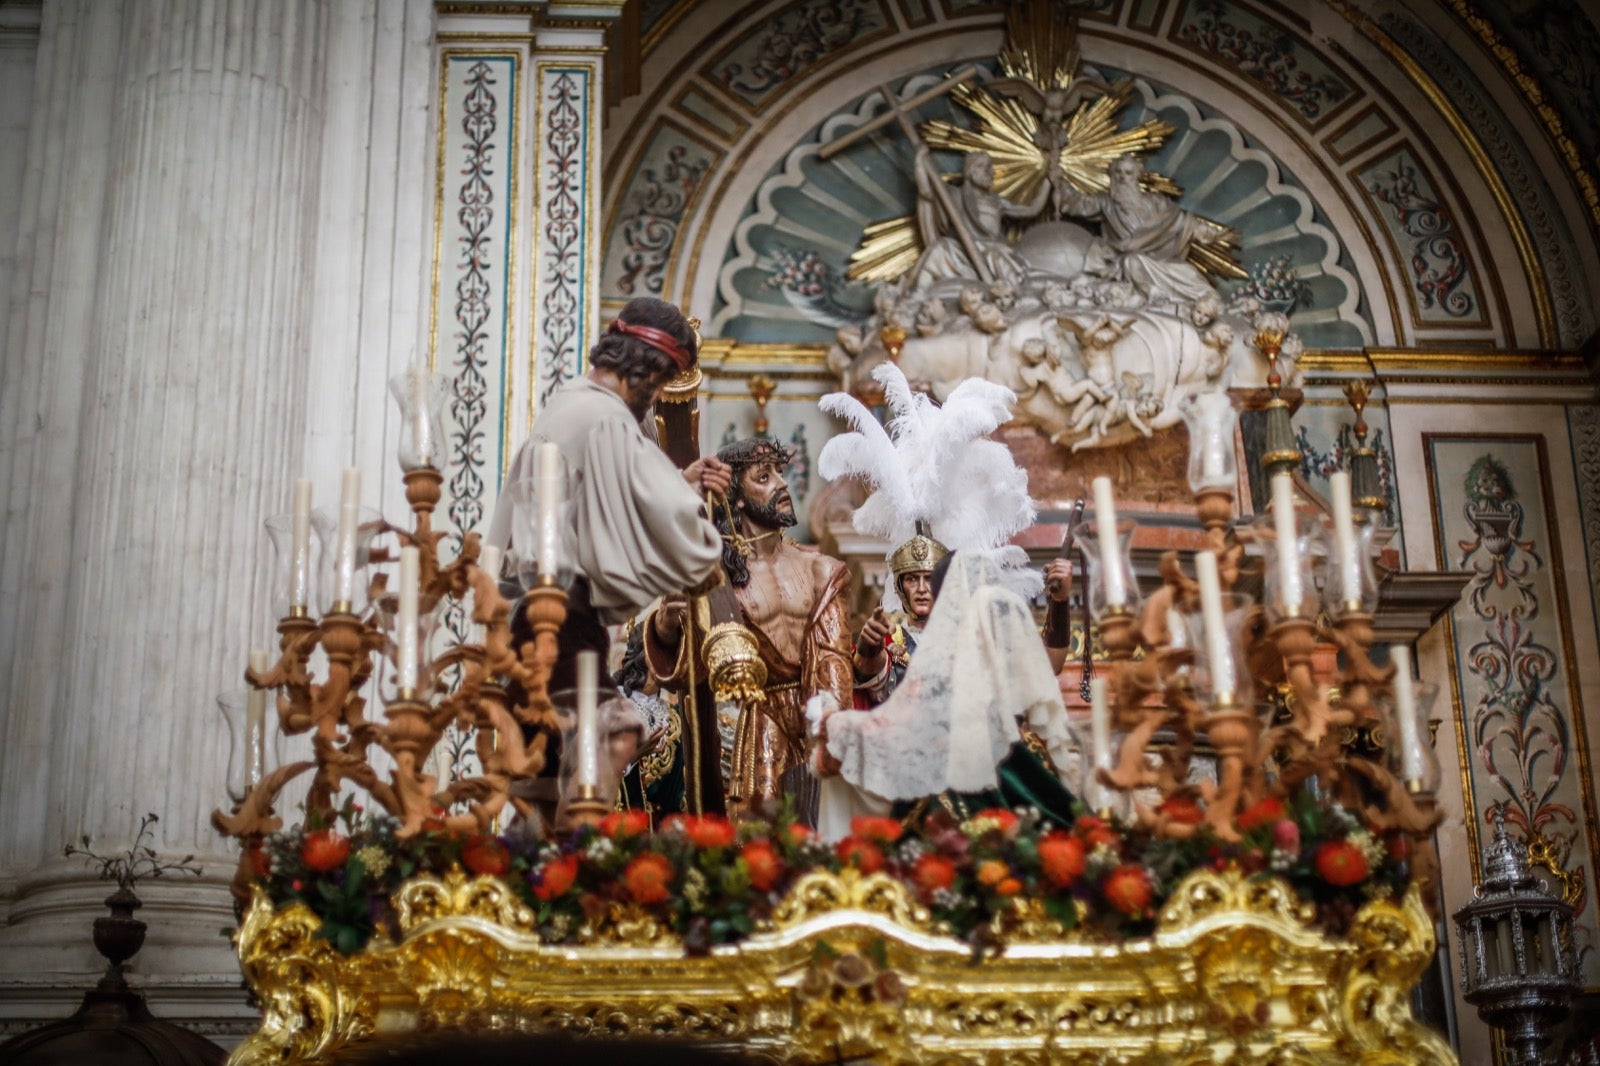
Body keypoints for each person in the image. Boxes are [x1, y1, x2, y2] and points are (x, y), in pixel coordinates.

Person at [486, 296, 732, 827]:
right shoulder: (606, 417)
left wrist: (678, 483)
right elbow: (670, 515)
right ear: (645, 367)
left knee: (548, 772)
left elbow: (597, 500)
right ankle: (574, 859)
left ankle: (540, 861)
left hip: (527, 615)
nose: (659, 394)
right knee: (613, 734)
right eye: (662, 380)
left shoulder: (568, 402)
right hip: (562, 618)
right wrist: (702, 549)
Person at [646, 438, 853, 822]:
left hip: (813, 717)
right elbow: (694, 670)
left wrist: (833, 729)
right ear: (737, 497)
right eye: (764, 476)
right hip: (747, 721)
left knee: (818, 832)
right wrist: (668, 625)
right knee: (757, 838)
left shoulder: (819, 570)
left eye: (780, 472)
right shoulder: (717, 580)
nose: (782, 484)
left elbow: (833, 662)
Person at [813, 552, 1079, 841]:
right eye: (913, 580)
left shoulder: (989, 645)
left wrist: (1061, 603)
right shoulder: (934, 653)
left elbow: (1048, 663)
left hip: (995, 780)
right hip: (996, 784)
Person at [1056, 154, 1237, 309]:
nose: (1122, 178)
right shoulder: (1105, 202)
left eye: (1128, 173)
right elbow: (1077, 204)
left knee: (1189, 273)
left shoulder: (1156, 202)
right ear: (1111, 176)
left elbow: (1183, 222)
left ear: (1137, 176)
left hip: (1161, 260)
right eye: (1117, 173)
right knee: (1132, 262)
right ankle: (1154, 294)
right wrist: (1058, 181)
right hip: (1129, 259)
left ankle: (1209, 303)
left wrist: (1214, 234)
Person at [852, 524, 945, 708]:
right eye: (912, 579)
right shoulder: (891, 638)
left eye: (929, 578)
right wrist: (869, 651)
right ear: (900, 588)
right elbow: (875, 676)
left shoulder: (963, 639)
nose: (921, 589)